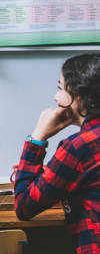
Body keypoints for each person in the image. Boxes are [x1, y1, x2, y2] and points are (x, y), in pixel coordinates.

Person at [14, 53, 100, 253]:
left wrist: (37, 138)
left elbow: (25, 206)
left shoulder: (79, 147)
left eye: (60, 88)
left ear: (79, 97)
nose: (56, 97)